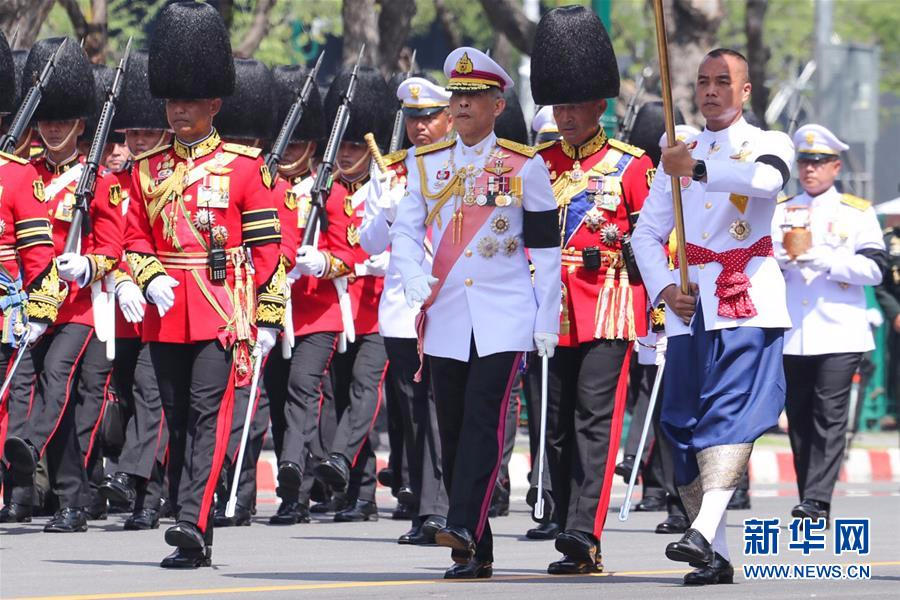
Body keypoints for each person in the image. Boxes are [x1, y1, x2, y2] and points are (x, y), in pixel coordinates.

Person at [124, 1, 284, 568]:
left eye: (189, 101)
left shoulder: (246, 167)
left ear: (214, 104)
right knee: (174, 416)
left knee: (206, 413)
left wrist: (262, 315)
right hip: (166, 313)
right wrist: (145, 278)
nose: (178, 112)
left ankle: (191, 520)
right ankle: (192, 516)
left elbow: (268, 251)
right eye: (172, 101)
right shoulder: (146, 171)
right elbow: (135, 237)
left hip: (222, 312)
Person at [390, 46, 561, 579]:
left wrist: (547, 319)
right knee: (455, 424)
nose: (462, 106)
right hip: (446, 313)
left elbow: (547, 252)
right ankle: (474, 548)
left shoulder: (524, 166)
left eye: (474, 97)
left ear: (497, 104)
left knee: (485, 421)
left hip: (505, 315)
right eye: (457, 96)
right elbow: (404, 231)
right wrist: (411, 273)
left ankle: (460, 521)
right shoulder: (425, 164)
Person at [632, 48, 795, 586]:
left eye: (723, 81)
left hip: (746, 295)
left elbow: (768, 183)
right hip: (690, 303)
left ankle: (700, 529)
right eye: (703, 81)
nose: (710, 90)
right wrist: (664, 288)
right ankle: (715, 552)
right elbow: (646, 234)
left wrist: (698, 169)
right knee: (678, 424)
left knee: (727, 412)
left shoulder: (769, 142)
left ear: (745, 90)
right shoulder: (678, 149)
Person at [529, 6, 654, 574]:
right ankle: (559, 511)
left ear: (599, 104)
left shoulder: (630, 166)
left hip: (608, 301)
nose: (565, 115)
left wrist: (622, 243)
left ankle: (585, 532)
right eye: (558, 105)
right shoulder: (538, 165)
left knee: (591, 418)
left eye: (574, 104)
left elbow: (658, 241)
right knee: (552, 423)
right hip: (549, 307)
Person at [3, 36, 123, 533]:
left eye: (63, 121)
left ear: (80, 125)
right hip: (34, 306)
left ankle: (48, 469)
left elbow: (114, 247)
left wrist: (88, 265)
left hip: (79, 306)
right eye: (46, 121)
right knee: (40, 394)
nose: (52, 129)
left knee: (59, 383)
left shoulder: (98, 180)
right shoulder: (21, 175)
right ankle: (44, 494)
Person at [773, 124, 886, 526]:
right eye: (804, 162)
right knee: (800, 417)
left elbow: (876, 268)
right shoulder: (781, 209)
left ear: (835, 166)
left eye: (819, 162)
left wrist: (828, 260)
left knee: (829, 413)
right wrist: (781, 261)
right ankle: (810, 499)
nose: (810, 169)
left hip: (838, 329)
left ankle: (819, 499)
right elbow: (763, 260)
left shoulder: (856, 211)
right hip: (793, 332)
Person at [359, 75, 451, 544]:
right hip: (402, 308)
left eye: (429, 117)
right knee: (413, 413)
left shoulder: (461, 165)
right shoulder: (390, 169)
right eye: (413, 118)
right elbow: (368, 242)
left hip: (449, 302)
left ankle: (440, 508)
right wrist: (389, 214)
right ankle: (420, 506)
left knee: (438, 408)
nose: (420, 126)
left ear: (449, 117)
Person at [308, 66, 394, 524]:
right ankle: (358, 494)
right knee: (341, 393)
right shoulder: (329, 191)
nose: (345, 154)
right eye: (339, 145)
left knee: (364, 390)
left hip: (380, 306)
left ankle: (341, 458)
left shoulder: (388, 187)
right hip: (340, 306)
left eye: (355, 146)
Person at [97, 49, 172, 532]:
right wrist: (121, 277)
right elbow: (109, 241)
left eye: (148, 132)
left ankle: (135, 483)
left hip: (164, 307)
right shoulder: (113, 184)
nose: (140, 140)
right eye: (134, 133)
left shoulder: (171, 181)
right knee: (127, 398)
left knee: (150, 396)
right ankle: (150, 491)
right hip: (123, 309)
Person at [0, 31, 62, 524]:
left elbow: (39, 257)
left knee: (13, 403)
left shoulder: (19, 176)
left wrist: (37, 310)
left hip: (7, 311)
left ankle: (17, 491)